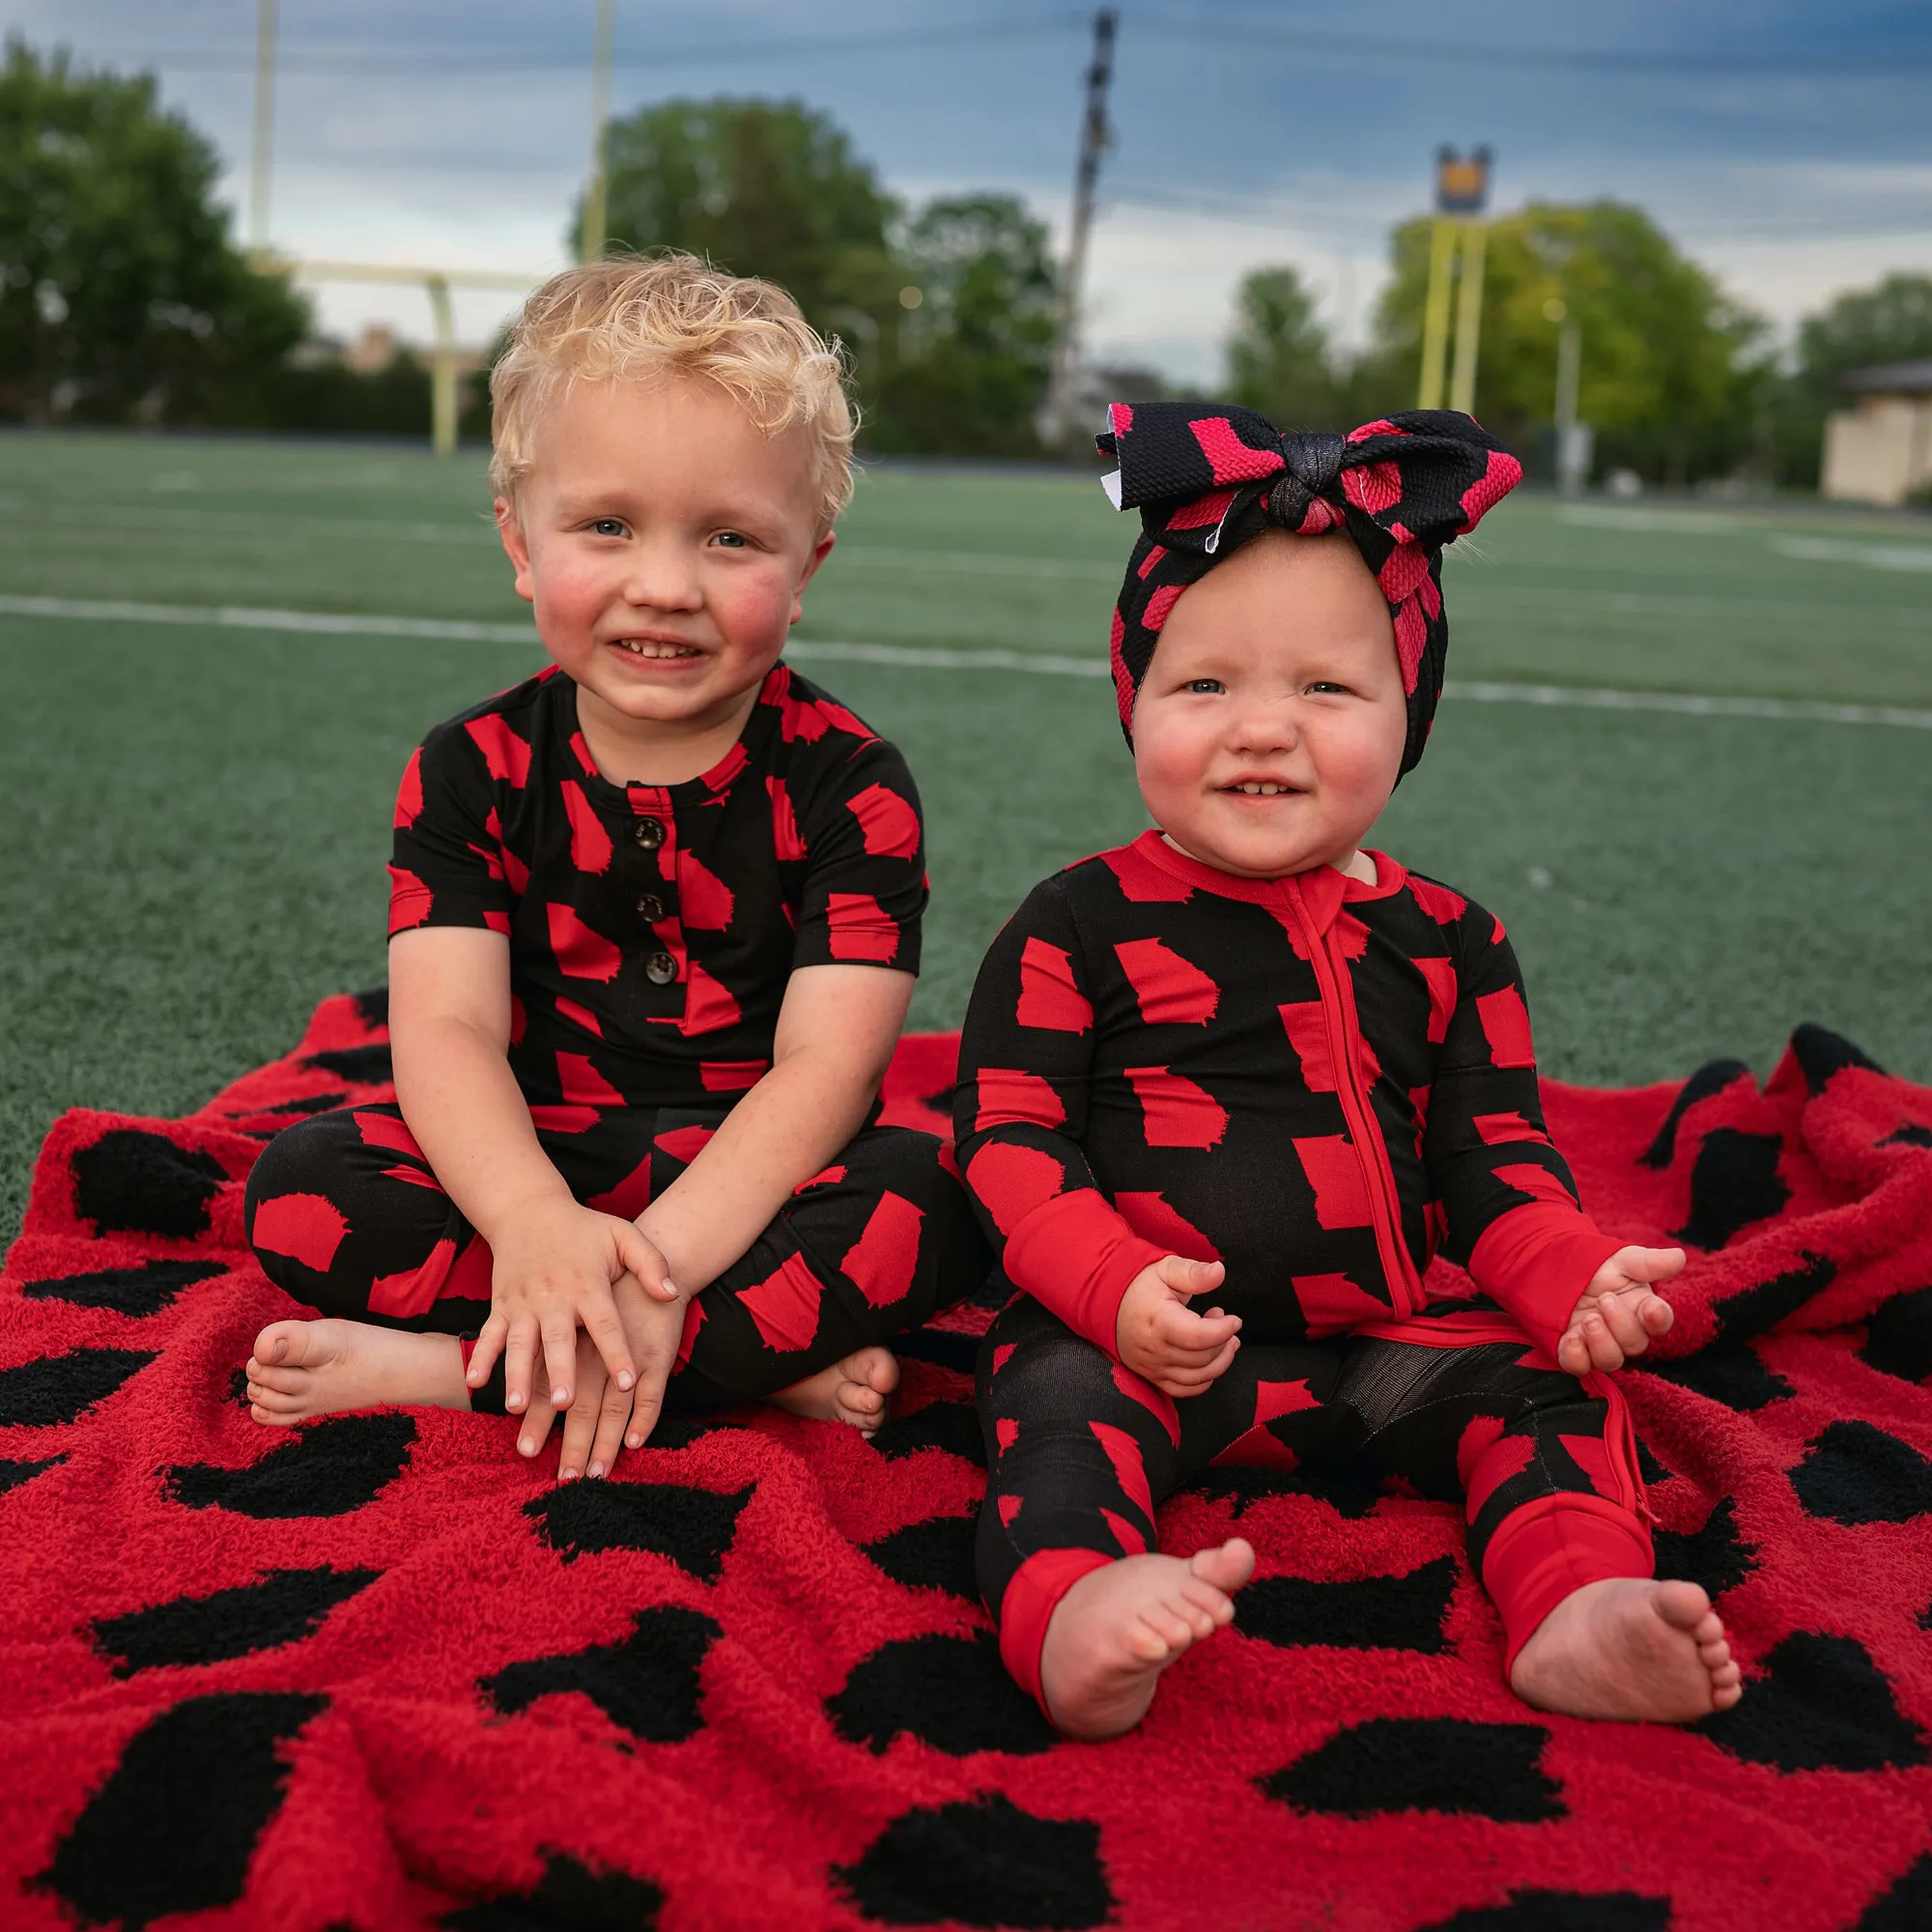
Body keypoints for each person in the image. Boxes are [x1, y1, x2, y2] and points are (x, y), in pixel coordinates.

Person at [954, 403, 1745, 1739]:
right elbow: (1007, 1138)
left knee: (1554, 1392)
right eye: (1203, 686)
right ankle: (1078, 1612)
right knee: (1053, 1402)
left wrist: (1563, 1272)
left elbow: (1493, 1158)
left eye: (1327, 689)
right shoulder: (1076, 921)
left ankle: (1577, 1607)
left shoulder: (1452, 939)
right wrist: (1110, 1282)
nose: (1262, 728)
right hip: (1159, 1351)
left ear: (1408, 713)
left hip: (1381, 1354)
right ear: (1134, 702)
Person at [242, 255, 986, 1479]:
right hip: (535, 1146)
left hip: (755, 1178)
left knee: (943, 1195)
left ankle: (457, 1372)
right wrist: (534, 1223)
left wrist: (665, 1264)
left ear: (806, 568)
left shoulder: (852, 782)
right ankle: (729, 1364)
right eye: (607, 524)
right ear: (519, 541)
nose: (665, 585)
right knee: (304, 1185)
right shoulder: (469, 765)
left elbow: (826, 1065)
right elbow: (447, 1033)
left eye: (732, 538)